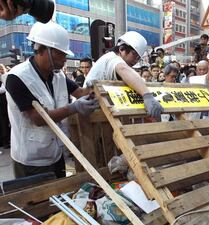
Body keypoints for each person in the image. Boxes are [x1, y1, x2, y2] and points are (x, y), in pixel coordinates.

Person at [5, 22, 97, 179]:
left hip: (56, 152)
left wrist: (95, 91)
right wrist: (74, 108)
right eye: (59, 54)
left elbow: (80, 92)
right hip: (31, 159)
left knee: (60, 197)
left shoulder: (58, 76)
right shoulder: (17, 77)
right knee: (38, 202)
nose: (64, 60)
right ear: (42, 50)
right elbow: (38, 118)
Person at [84, 31, 164, 118]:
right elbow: (123, 69)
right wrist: (147, 95)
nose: (135, 61)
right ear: (121, 49)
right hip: (88, 114)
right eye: (134, 55)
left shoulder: (114, 59)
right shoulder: (112, 58)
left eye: (138, 58)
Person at [0, 64, 10, 149]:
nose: (1, 70)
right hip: (2, 104)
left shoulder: (6, 76)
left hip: (7, 102)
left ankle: (7, 140)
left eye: (2, 69)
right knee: (4, 122)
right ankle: (5, 141)